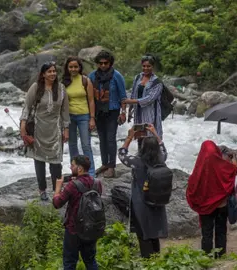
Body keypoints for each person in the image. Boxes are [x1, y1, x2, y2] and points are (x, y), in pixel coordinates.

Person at [20, 61, 70, 201]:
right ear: (43, 74)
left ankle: (57, 190)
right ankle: (42, 190)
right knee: (39, 161)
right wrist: (23, 126)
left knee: (56, 162)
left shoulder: (61, 89)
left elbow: (65, 111)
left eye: (54, 71)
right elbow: (27, 107)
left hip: (55, 129)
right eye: (49, 71)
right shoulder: (36, 88)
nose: (53, 74)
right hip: (38, 128)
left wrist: (66, 129)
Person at [117, 124, 168, 258]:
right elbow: (163, 148)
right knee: (154, 232)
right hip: (157, 200)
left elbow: (122, 154)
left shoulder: (137, 162)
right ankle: (156, 259)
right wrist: (156, 134)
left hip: (141, 202)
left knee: (143, 232)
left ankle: (147, 260)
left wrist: (129, 137)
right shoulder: (162, 159)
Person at [186, 140, 237, 258]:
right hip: (222, 204)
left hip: (205, 207)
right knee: (221, 230)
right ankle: (221, 255)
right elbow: (233, 172)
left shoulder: (200, 168)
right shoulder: (223, 166)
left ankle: (206, 256)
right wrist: (233, 159)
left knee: (207, 232)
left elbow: (192, 186)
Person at [53, 155, 102, 270]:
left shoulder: (72, 185)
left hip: (73, 229)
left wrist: (57, 189)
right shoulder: (97, 183)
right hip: (91, 228)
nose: (70, 167)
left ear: (79, 168)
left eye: (73, 165)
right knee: (90, 261)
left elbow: (57, 203)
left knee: (69, 262)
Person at [88, 50, 127, 178]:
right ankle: (104, 163)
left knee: (110, 139)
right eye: (101, 63)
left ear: (110, 63)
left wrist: (123, 112)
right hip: (98, 111)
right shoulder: (92, 76)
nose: (103, 65)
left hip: (112, 111)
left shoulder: (117, 76)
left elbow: (123, 96)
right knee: (102, 139)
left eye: (106, 63)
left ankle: (111, 166)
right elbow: (89, 96)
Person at [62, 56, 96, 177]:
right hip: (69, 117)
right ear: (67, 68)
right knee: (72, 145)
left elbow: (91, 100)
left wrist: (92, 118)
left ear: (79, 67)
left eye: (75, 66)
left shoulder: (85, 80)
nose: (73, 69)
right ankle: (75, 172)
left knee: (86, 145)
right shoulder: (64, 82)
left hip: (84, 116)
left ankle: (90, 173)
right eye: (71, 67)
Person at [123, 55, 164, 146]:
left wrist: (132, 101)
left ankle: (152, 158)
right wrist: (130, 111)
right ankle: (140, 157)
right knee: (139, 136)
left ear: (153, 67)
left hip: (151, 114)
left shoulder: (157, 82)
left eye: (148, 66)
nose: (146, 68)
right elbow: (133, 93)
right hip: (138, 113)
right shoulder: (138, 77)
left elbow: (149, 99)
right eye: (144, 66)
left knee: (150, 138)